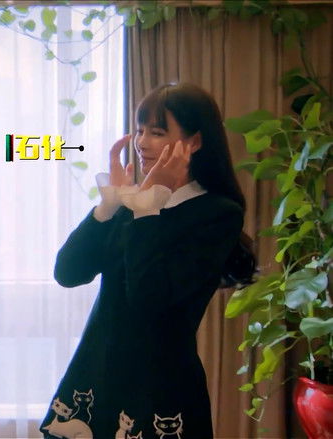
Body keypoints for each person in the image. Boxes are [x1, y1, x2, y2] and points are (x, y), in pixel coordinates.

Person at [40, 82, 255, 439]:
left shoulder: (217, 213)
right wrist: (108, 206)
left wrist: (146, 210)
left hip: (158, 388)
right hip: (97, 376)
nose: (141, 142)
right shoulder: (134, 204)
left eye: (156, 132)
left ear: (194, 142)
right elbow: (68, 272)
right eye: (140, 131)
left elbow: (148, 297)